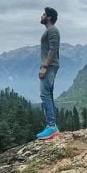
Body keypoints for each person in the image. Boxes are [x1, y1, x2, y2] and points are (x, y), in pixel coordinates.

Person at [36, 7, 60, 140]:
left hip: (49, 66)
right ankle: (52, 126)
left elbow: (53, 48)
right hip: (50, 65)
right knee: (48, 94)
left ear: (49, 17)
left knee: (45, 94)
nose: (42, 16)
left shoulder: (52, 30)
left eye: (44, 14)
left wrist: (44, 66)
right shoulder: (50, 30)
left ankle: (51, 127)